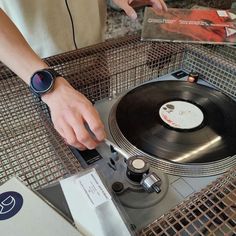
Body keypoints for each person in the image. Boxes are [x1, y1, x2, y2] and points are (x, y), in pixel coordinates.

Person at [0, 0, 167, 150]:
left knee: (106, 124)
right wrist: (49, 87)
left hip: (96, 52)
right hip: (40, 67)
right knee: (68, 144)